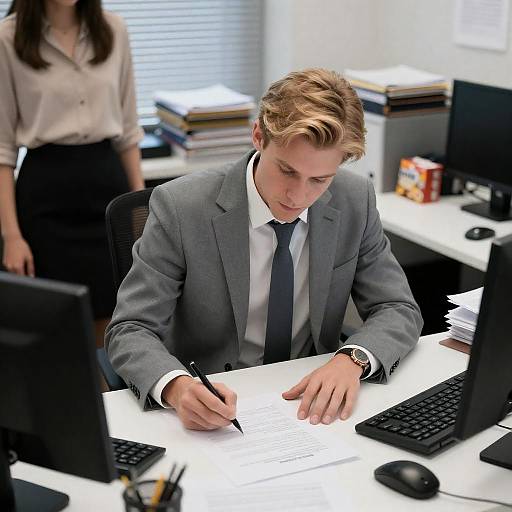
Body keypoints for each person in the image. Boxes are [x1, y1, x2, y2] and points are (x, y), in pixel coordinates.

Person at [106, 68, 423, 430]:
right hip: (216, 400)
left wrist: (352, 358)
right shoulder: (181, 207)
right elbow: (129, 328)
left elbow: (398, 308)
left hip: (311, 399)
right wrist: (177, 388)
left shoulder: (355, 200)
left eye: (319, 179)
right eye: (287, 171)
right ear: (258, 136)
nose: (299, 196)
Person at [0, 0, 144, 347]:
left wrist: (141, 213)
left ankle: (108, 400)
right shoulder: (9, 37)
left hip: (108, 192)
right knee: (54, 328)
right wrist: (12, 237)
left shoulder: (114, 30)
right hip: (43, 200)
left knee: (116, 325)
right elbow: (3, 150)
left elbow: (128, 132)